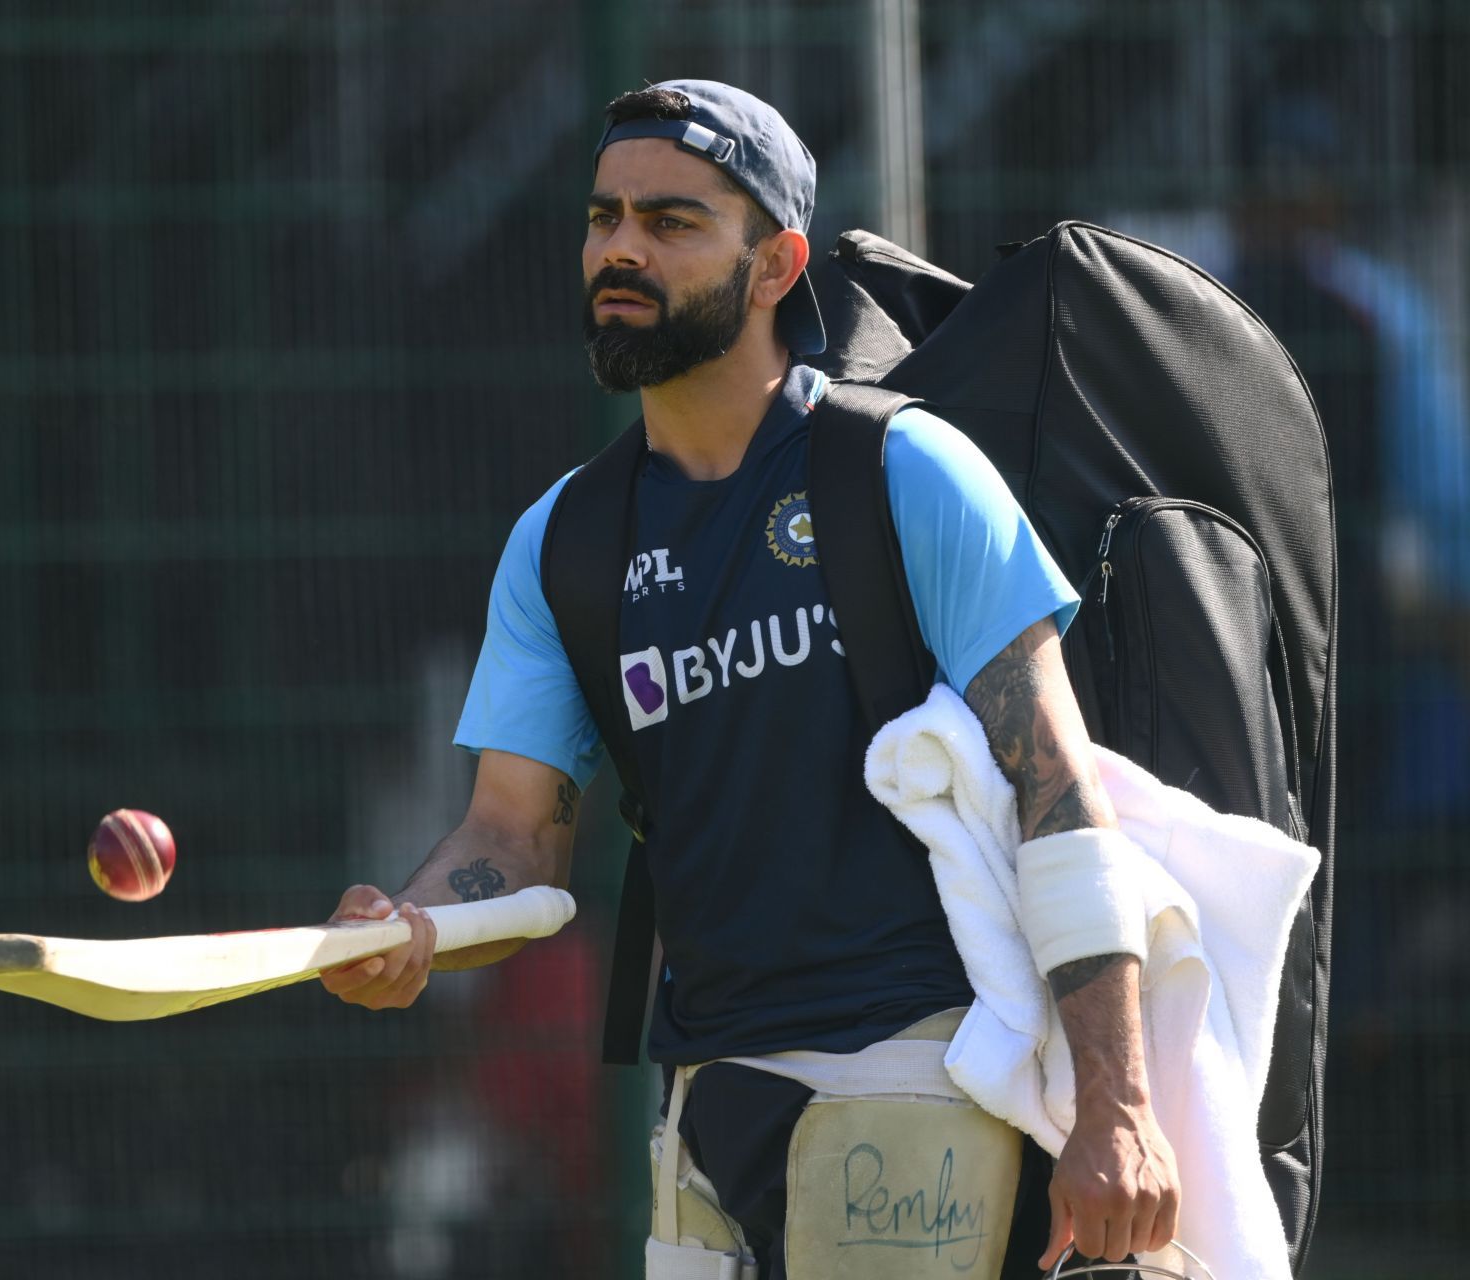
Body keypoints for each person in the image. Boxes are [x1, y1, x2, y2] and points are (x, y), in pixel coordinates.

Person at [323, 80, 1179, 1277]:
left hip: (913, 1066)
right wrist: (415, 926)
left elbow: (1061, 792)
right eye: (604, 216)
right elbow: (511, 837)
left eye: (673, 222)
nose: (622, 246)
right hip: (707, 1090)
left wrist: (1118, 1102)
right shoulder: (562, 541)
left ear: (776, 264)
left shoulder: (908, 470)